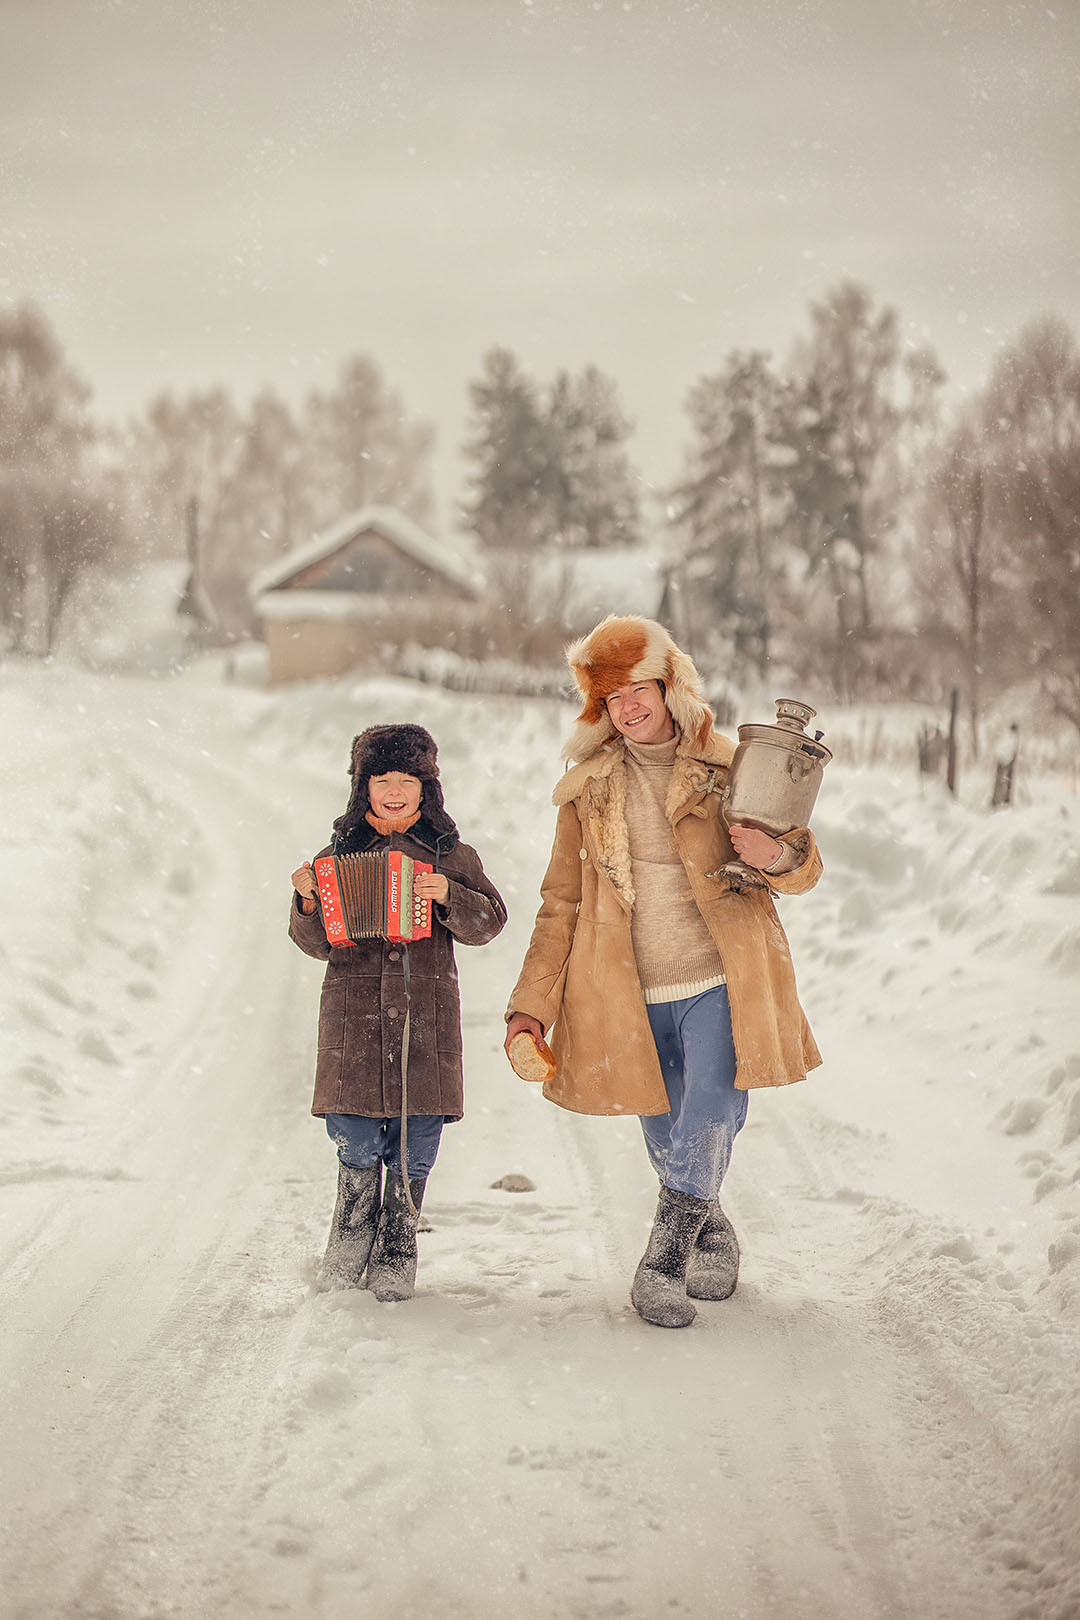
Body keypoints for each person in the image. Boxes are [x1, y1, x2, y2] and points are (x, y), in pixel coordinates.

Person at [504, 616, 822, 1329]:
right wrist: (530, 1008)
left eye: (636, 692)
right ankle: (710, 1229)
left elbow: (803, 858)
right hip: (629, 989)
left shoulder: (730, 766)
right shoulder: (587, 790)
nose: (627, 710)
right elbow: (559, 904)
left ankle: (661, 1262)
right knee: (667, 1127)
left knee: (712, 1108)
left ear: (668, 685)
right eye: (611, 700)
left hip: (718, 976)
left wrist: (775, 858)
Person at [290, 723, 507, 1302]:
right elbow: (314, 942)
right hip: (354, 1016)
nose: (392, 791)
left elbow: (489, 924)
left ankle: (398, 1238)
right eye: (380, 780)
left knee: (417, 1132)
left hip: (424, 1016)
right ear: (363, 789)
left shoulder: (452, 855)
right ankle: (351, 1229)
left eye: (404, 781)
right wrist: (309, 900)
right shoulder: (336, 855)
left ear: (425, 789)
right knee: (356, 1133)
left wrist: (449, 897)